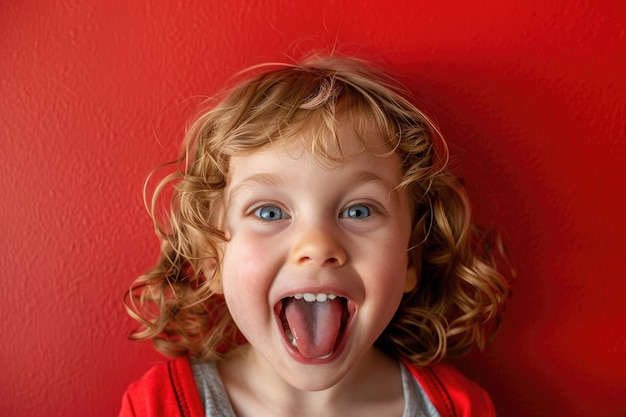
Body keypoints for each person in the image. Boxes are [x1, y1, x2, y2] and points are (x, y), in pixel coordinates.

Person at [120, 54, 512, 417]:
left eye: (358, 211)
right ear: (212, 258)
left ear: (411, 256)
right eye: (269, 212)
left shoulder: (458, 408)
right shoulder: (159, 405)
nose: (318, 246)